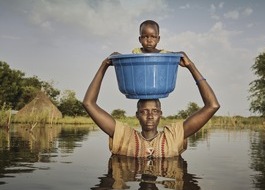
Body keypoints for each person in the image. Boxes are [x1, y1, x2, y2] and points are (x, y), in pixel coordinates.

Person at [83, 50, 220, 157]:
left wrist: (191, 66)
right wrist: (104, 66)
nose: (150, 116)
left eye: (155, 111)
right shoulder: (124, 136)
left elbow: (212, 105)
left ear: (161, 114)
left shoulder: (173, 136)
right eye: (144, 111)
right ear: (137, 115)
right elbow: (88, 104)